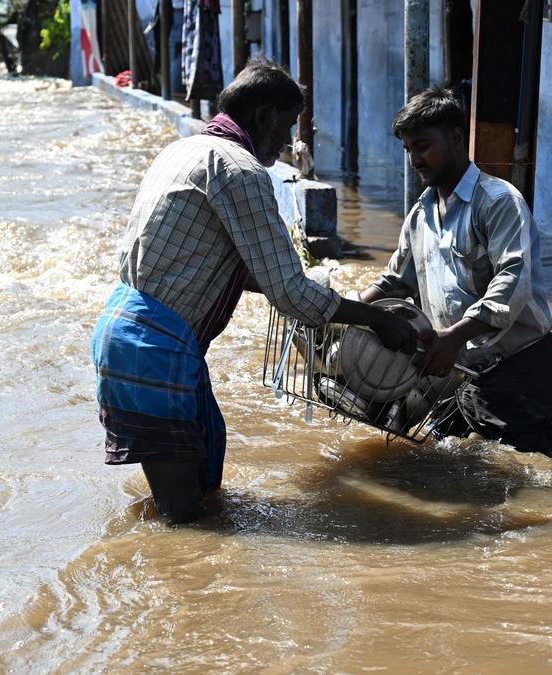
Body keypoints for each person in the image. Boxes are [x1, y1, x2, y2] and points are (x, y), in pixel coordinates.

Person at [91, 60, 417, 524]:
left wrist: (310, 291)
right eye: (285, 127)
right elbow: (290, 295)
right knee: (184, 521)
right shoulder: (239, 169)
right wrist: (376, 318)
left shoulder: (181, 151)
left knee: (204, 493)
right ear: (263, 116)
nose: (286, 142)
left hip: (129, 332)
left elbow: (216, 266)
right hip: (153, 348)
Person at [360, 87, 552, 454]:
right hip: (457, 370)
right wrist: (349, 315)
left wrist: (454, 336)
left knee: (516, 478)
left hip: (518, 370)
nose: (414, 160)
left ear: (456, 138)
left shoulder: (499, 202)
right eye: (408, 150)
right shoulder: (421, 213)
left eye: (422, 146)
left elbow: (512, 281)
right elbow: (394, 280)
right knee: (444, 467)